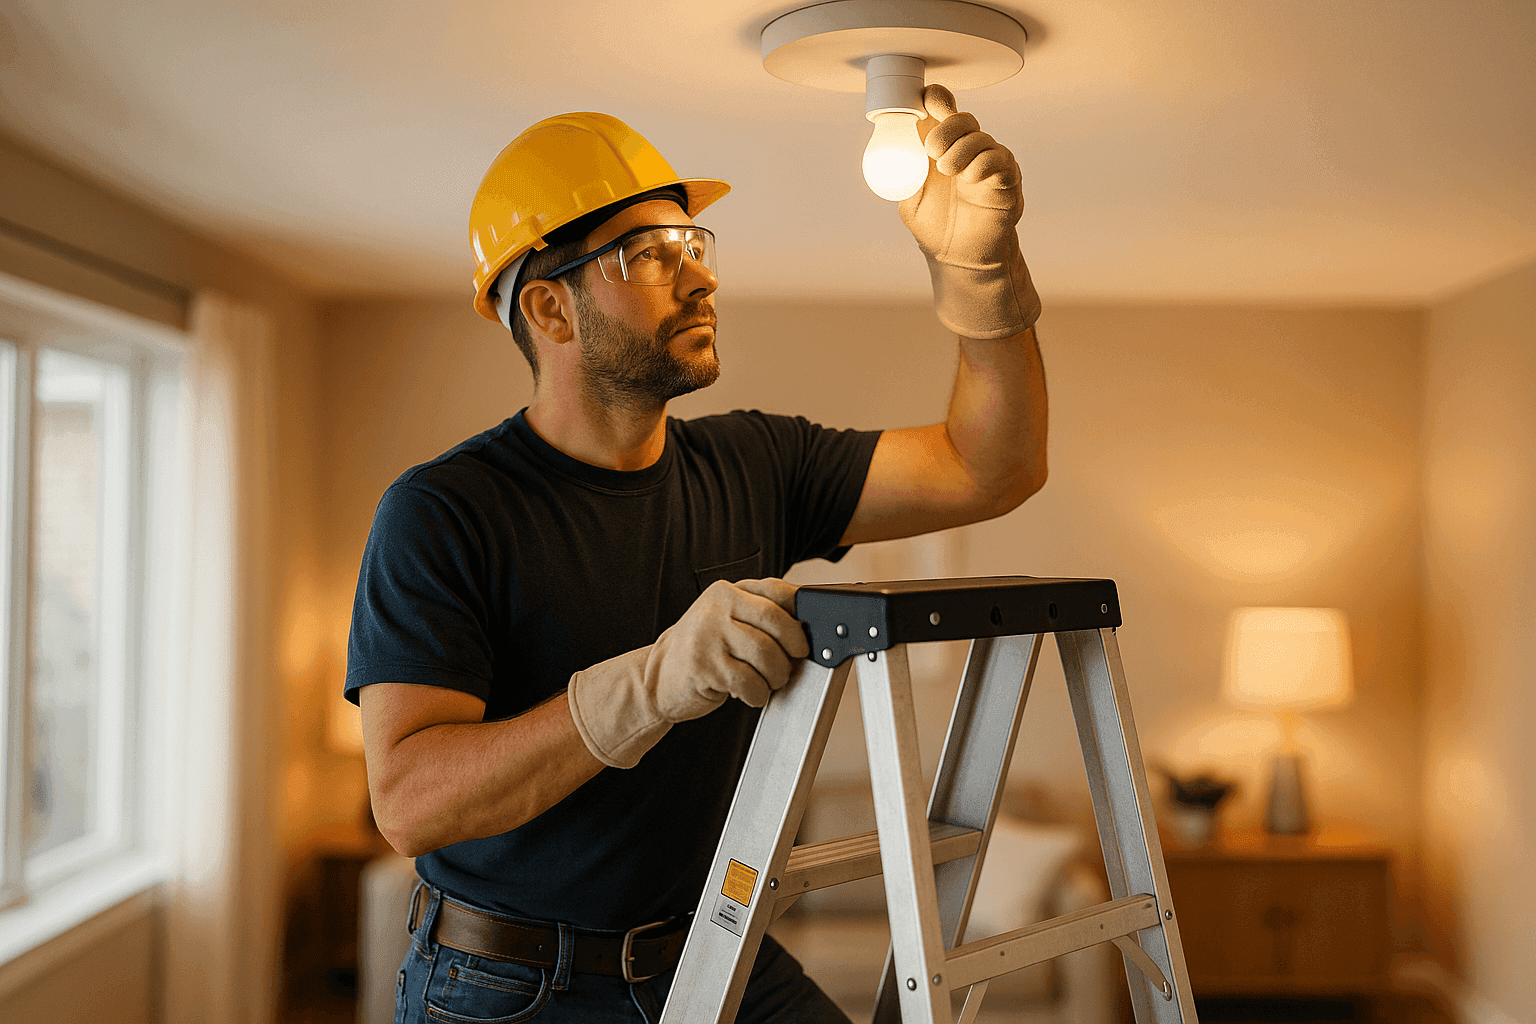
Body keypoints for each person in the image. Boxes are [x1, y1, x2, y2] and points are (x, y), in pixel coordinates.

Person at [346, 85, 1047, 1023]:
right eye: (650, 255)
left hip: (715, 952)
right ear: (550, 311)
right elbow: (410, 803)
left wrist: (982, 272)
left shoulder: (756, 463)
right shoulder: (444, 512)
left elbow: (989, 466)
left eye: (695, 247)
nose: (700, 277)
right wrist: (649, 685)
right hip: (509, 987)